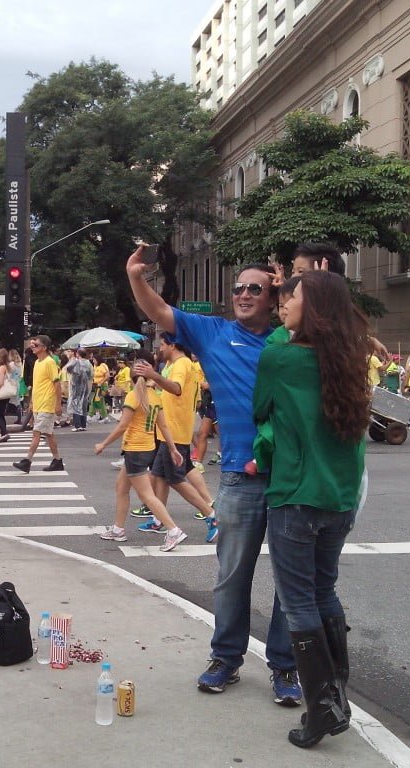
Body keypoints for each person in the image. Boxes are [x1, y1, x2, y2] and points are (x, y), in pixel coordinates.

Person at [126, 245, 299, 707]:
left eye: (254, 288)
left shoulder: (292, 337)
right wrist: (136, 276)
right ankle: (226, 658)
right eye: (238, 287)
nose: (243, 294)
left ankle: (286, 667)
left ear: (272, 295)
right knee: (232, 576)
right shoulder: (213, 333)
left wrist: (292, 290)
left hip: (289, 478)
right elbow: (159, 310)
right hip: (241, 479)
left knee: (290, 580)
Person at [254, 270, 367, 748]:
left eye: (290, 297)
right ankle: (335, 692)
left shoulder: (281, 355)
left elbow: (262, 411)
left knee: (298, 599)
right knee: (324, 592)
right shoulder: (352, 357)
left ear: (313, 309)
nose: (282, 305)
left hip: (296, 494)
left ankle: (321, 708)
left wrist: (264, 455)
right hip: (339, 497)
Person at [95, 351, 188, 552]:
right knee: (121, 487)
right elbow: (163, 427)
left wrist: (103, 444)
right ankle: (118, 529)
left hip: (135, 450)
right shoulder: (155, 396)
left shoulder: (134, 395)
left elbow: (122, 426)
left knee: (147, 495)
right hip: (145, 449)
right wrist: (172, 448)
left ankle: (173, 530)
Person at [132, 335, 216, 539]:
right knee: (160, 475)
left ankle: (211, 516)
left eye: (162, 344)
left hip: (176, 431)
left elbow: (177, 389)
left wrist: (154, 375)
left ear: (172, 345)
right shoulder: (175, 364)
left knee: (175, 479)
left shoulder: (182, 364)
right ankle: (159, 520)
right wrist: (154, 383)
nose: (160, 348)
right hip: (169, 430)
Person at [12, 335, 65, 473]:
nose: (33, 346)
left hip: (47, 403)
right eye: (33, 344)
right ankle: (57, 461)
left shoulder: (49, 362)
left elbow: (57, 384)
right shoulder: (37, 362)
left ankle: (27, 461)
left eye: (36, 345)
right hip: (39, 403)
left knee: (36, 433)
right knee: (49, 433)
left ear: (44, 348)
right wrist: (32, 402)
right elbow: (37, 384)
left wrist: (58, 404)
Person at [64, 348, 93, 432]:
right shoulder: (88, 363)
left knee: (76, 404)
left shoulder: (76, 361)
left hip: (76, 385)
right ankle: (83, 425)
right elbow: (91, 375)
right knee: (83, 404)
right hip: (86, 385)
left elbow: (67, 368)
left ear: (77, 354)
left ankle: (77, 425)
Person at [88, 354, 111, 422]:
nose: (93, 361)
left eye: (94, 360)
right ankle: (103, 417)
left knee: (96, 400)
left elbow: (107, 376)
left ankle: (91, 415)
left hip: (102, 385)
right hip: (96, 385)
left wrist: (101, 383)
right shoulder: (95, 366)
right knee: (98, 401)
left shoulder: (103, 366)